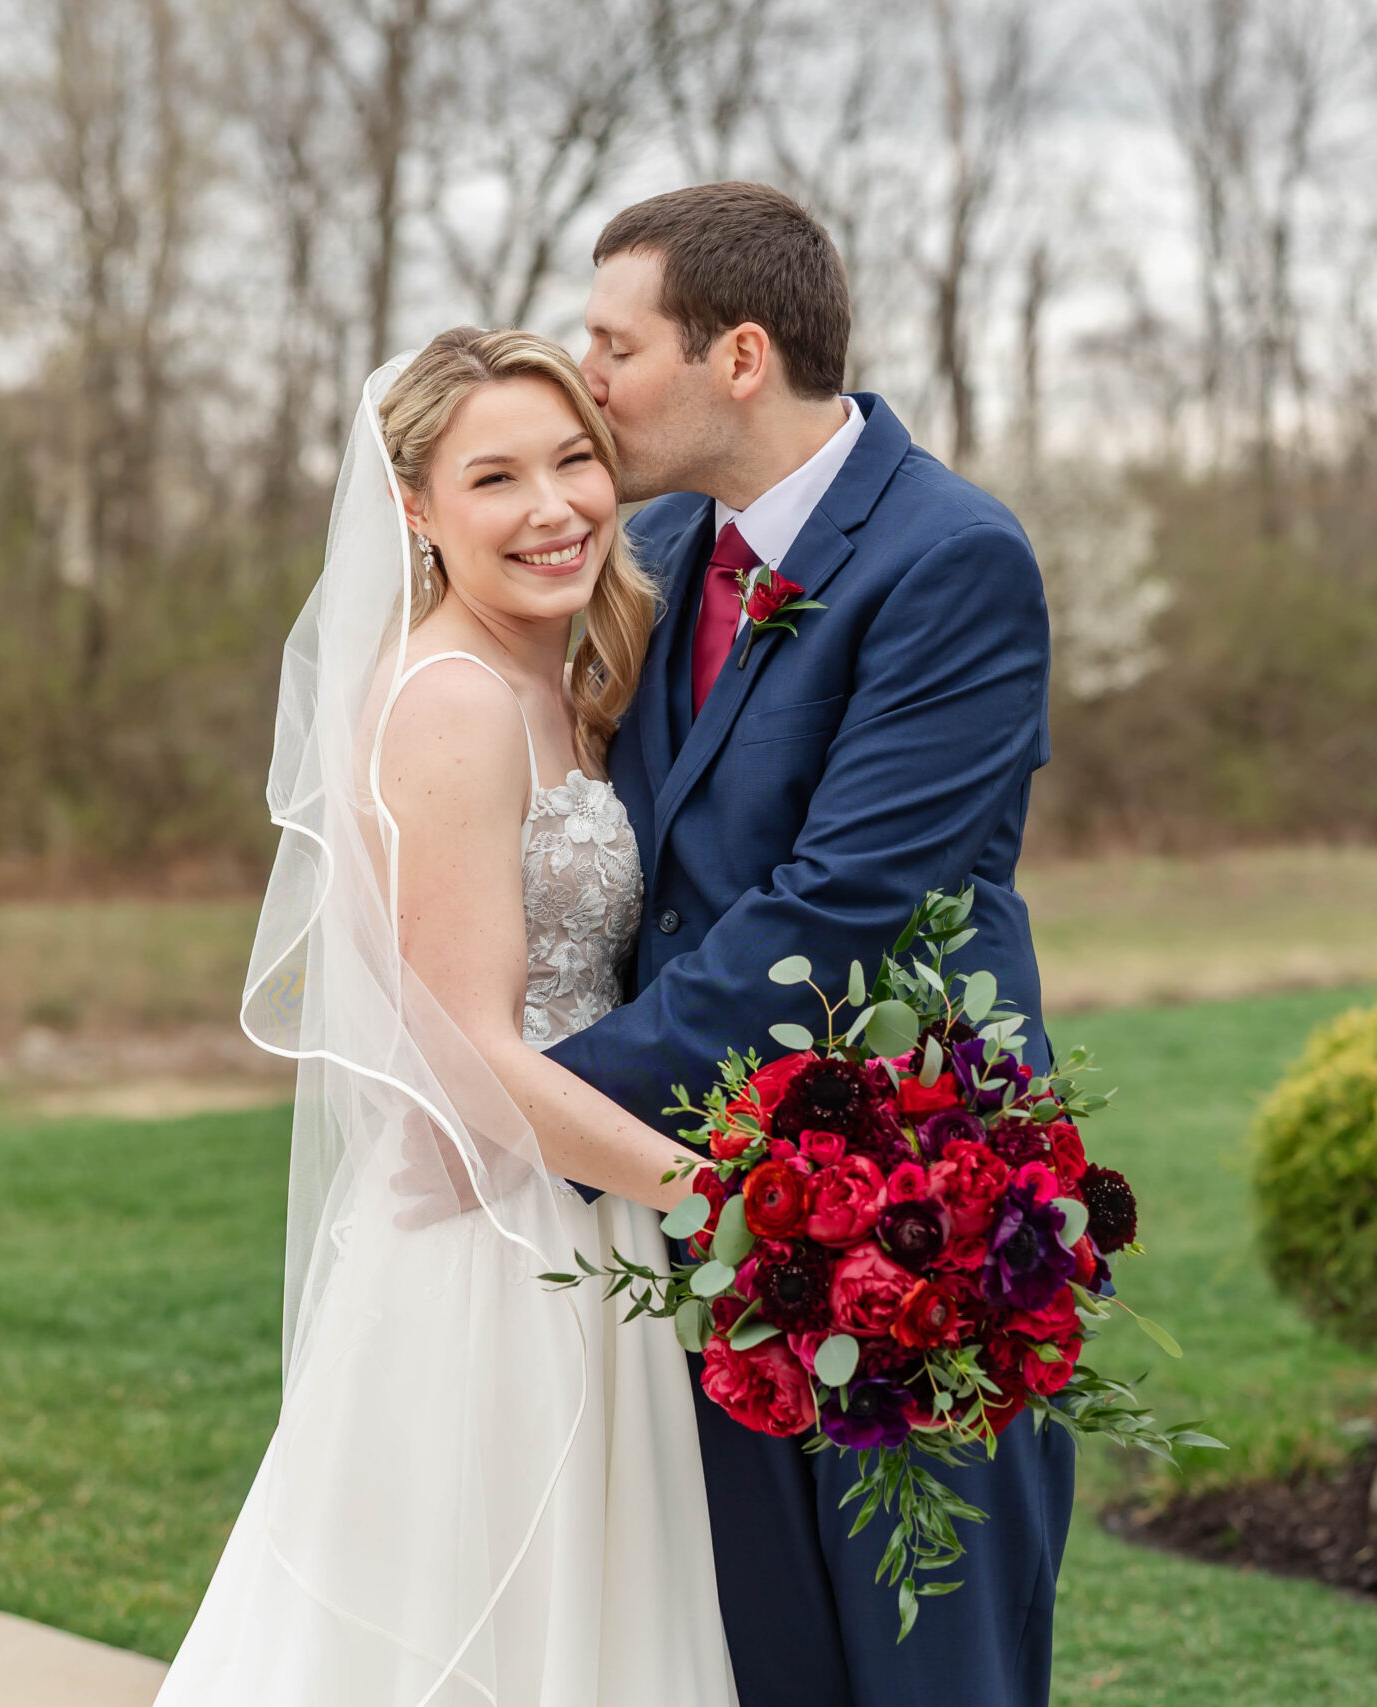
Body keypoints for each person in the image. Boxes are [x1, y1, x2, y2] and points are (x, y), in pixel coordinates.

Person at [155, 329, 739, 1707]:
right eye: (496, 478)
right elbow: (471, 1054)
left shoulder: (566, 675)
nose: (553, 508)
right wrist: (729, 1196)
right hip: (499, 1258)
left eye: (575, 461)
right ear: (414, 509)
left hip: (584, 1215)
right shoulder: (454, 701)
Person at [545, 180, 1069, 1707]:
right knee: (750, 1649)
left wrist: (546, 1103)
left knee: (929, 1657)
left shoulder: (952, 560)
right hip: (694, 1206)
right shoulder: (644, 546)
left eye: (612, 345)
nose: (590, 380)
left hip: (907, 1205)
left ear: (741, 358)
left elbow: (836, 910)